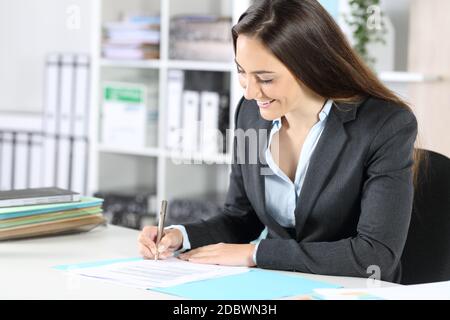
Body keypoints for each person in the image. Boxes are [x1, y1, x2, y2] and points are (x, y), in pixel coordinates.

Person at [138, 0, 420, 283]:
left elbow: (375, 255)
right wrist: (179, 236)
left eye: (265, 78)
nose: (250, 92)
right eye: (241, 72)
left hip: (354, 289)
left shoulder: (386, 125)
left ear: (312, 65)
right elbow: (240, 217)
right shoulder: (250, 114)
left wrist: (256, 254)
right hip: (276, 284)